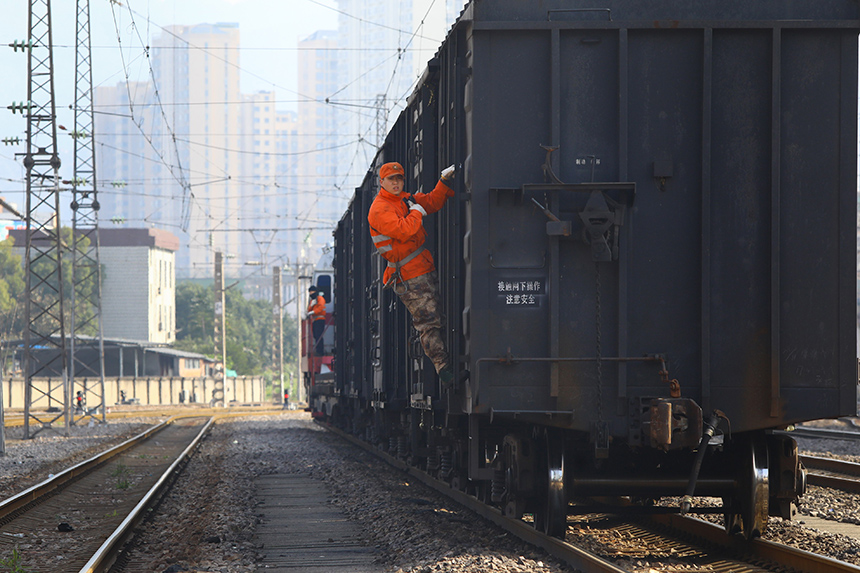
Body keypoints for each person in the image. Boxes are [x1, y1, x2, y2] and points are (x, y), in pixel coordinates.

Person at [367, 161, 456, 386]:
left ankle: (448, 366)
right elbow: (404, 230)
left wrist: (444, 182)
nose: (396, 183)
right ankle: (443, 369)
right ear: (381, 182)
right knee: (428, 321)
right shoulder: (379, 209)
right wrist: (416, 213)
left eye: (399, 179)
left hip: (422, 266)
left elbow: (433, 201)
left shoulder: (405, 199)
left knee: (439, 316)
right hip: (408, 274)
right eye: (391, 179)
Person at [307, 285, 326, 356]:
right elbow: (309, 310)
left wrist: (313, 312)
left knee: (319, 335)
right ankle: (318, 350)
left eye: (311, 292)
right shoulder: (313, 301)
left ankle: (320, 351)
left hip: (320, 319)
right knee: (315, 335)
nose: (310, 294)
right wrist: (311, 306)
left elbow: (321, 307)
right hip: (315, 320)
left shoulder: (320, 299)